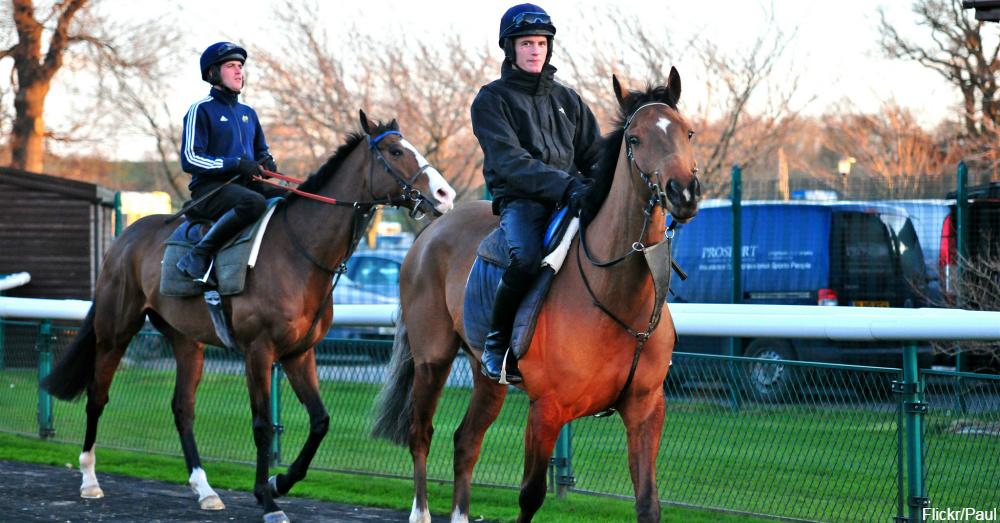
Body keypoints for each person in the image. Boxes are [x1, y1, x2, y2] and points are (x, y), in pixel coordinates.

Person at [471, 4, 603, 383]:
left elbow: (594, 154)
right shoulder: (491, 100)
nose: (535, 51)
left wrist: (605, 185)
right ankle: (497, 344)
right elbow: (510, 162)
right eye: (527, 43)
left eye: (542, 43)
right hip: (523, 200)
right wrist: (567, 185)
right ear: (510, 48)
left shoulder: (569, 99)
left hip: (574, 195)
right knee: (527, 259)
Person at [176, 42, 286, 284]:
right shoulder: (200, 110)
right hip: (211, 190)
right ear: (213, 73)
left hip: (245, 185)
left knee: (291, 198)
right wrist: (235, 164)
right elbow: (190, 159)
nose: (239, 71)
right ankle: (199, 254)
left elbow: (263, 152)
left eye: (240, 66)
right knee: (253, 202)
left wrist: (268, 164)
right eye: (231, 66)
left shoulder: (249, 113)